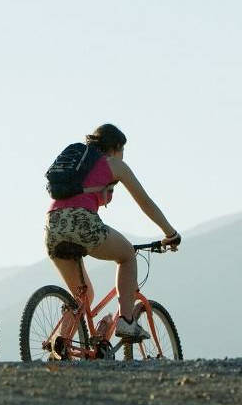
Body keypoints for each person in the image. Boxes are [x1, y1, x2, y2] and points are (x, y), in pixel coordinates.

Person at [45, 124, 181, 341]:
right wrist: (170, 232)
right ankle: (126, 322)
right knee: (127, 254)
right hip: (82, 222)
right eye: (123, 150)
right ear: (116, 147)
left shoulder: (80, 164)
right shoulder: (114, 164)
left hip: (53, 226)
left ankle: (60, 345)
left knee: (83, 296)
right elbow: (144, 202)